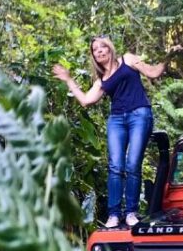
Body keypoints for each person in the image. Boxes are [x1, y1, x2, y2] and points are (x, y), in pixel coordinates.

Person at [52, 36, 165, 228]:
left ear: (110, 49)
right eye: (95, 50)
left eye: (103, 47)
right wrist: (69, 79)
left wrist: (167, 57)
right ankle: (114, 215)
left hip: (140, 115)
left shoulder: (128, 59)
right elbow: (86, 100)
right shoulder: (101, 80)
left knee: (132, 164)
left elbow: (153, 72)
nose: (100, 51)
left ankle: (130, 212)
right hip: (116, 120)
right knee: (115, 166)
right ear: (94, 57)